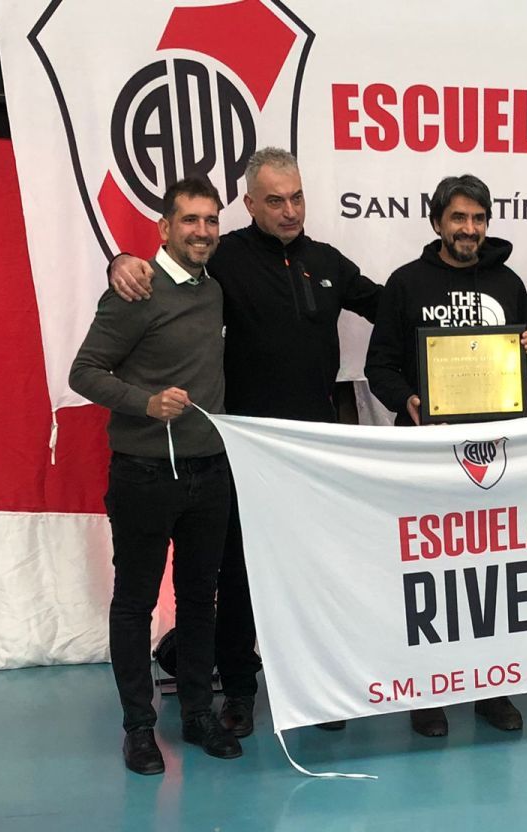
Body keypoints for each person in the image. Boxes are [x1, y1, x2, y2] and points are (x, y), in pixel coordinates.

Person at [109, 148, 379, 737]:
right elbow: (165, 267)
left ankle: (316, 688)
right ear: (250, 204)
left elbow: (390, 306)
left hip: (312, 450)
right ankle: (238, 690)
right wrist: (119, 261)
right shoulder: (224, 256)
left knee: (312, 573)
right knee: (236, 575)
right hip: (240, 449)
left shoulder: (327, 262)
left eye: (297, 198)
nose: (290, 211)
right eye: (275, 201)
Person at [70, 176, 241, 774]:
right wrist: (145, 403)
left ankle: (196, 714)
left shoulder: (214, 290)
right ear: (165, 227)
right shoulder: (135, 288)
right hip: (144, 474)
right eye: (190, 220)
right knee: (135, 602)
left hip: (209, 471)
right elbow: (84, 371)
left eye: (211, 220)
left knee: (199, 599)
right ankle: (139, 729)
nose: (202, 231)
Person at [365, 174, 527, 736]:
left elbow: (519, 370)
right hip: (426, 453)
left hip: (495, 454)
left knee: (494, 572)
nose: (470, 228)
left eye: (478, 218)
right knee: (430, 575)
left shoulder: (510, 283)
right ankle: (427, 693)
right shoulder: (405, 283)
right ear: (437, 221)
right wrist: (409, 399)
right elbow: (379, 365)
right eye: (459, 217)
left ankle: (492, 689)